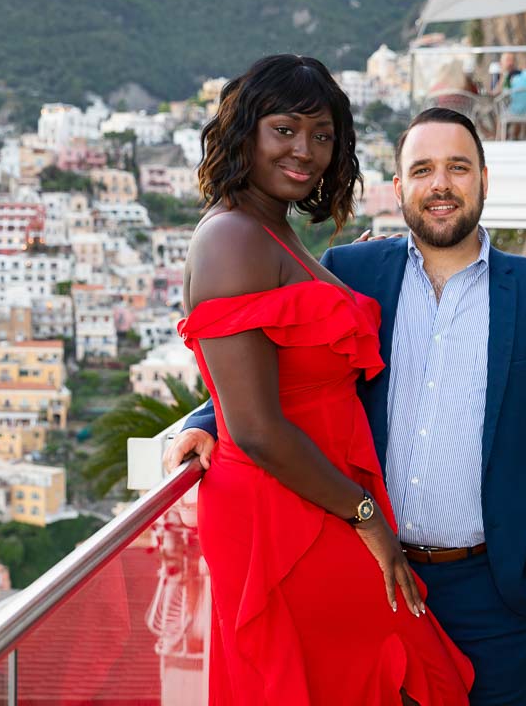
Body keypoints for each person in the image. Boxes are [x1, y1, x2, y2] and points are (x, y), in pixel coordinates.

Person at [168, 106, 526, 705]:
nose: (441, 184)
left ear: (484, 179)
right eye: (423, 169)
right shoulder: (353, 272)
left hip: (497, 586)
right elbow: (290, 362)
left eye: (458, 167)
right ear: (400, 188)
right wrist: (205, 420)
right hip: (364, 571)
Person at [175, 56, 474, 704]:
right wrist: (365, 516)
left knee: (365, 671)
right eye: (285, 130)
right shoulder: (232, 239)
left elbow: (271, 371)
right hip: (287, 514)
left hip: (320, 497)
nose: (305, 151)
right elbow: (253, 428)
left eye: (322, 135)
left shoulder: (271, 229)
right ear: (245, 131)